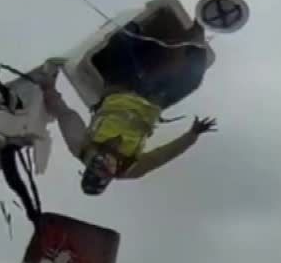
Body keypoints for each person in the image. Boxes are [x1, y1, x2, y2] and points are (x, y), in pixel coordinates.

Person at [39, 23, 218, 196]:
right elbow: (163, 155)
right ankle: (199, 28)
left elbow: (66, 115)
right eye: (107, 167)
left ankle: (136, 31)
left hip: (121, 88)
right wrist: (192, 135)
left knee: (120, 44)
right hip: (154, 100)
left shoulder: (82, 147)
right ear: (111, 175)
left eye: (99, 161)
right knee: (192, 79)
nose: (107, 158)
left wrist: (48, 89)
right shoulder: (132, 169)